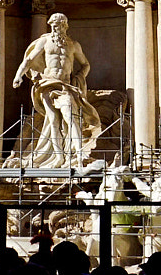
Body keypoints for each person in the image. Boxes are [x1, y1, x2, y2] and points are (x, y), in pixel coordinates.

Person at [12, 12, 100, 168]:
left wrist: (79, 78)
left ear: (64, 26)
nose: (54, 27)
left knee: (70, 116)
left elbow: (86, 64)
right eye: (52, 24)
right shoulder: (45, 41)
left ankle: (79, 154)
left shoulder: (73, 45)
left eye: (57, 24)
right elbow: (29, 60)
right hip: (48, 82)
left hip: (66, 85)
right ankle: (59, 157)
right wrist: (18, 75)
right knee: (52, 120)